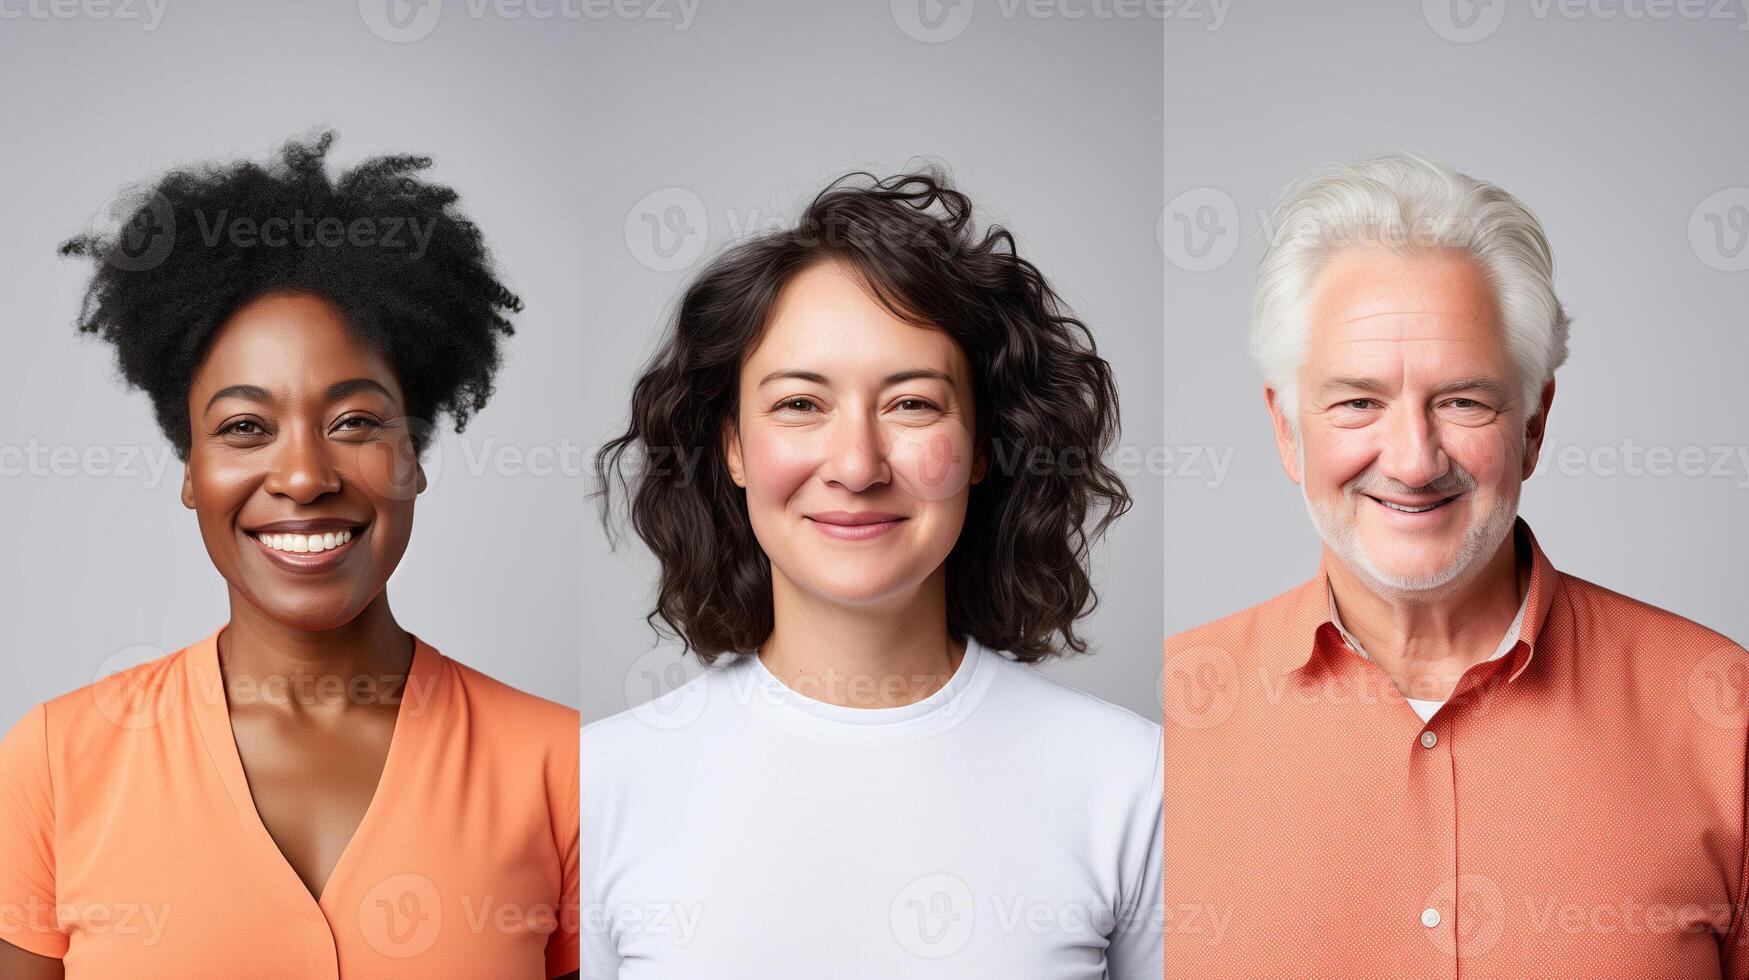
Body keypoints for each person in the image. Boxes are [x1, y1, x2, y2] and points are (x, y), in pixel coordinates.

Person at [0, 132, 580, 979]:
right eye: (244, 428)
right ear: (191, 470)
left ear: (413, 456)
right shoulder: (55, 759)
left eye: (354, 423)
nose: (304, 476)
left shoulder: (557, 765)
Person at [1164, 151, 1749, 976]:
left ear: (1534, 426)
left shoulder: (1723, 715)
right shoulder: (1164, 727)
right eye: (1357, 401)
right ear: (1287, 431)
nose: (1410, 460)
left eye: (1462, 401)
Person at [586, 171, 1163, 978]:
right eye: (799, 405)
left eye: (911, 405)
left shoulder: (1129, 782)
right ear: (731, 448)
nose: (856, 466)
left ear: (983, 447)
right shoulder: (598, 785)